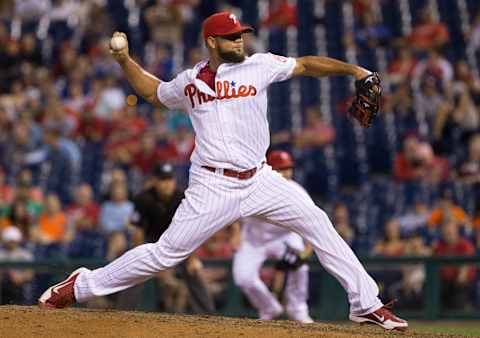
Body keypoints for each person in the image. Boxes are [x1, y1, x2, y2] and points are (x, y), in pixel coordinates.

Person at [38, 12, 407, 331]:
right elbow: (154, 93)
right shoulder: (189, 81)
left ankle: (366, 305)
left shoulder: (260, 65)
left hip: (261, 178)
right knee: (166, 254)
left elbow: (307, 64)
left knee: (319, 223)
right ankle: (80, 286)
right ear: (212, 41)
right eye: (232, 36)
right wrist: (125, 61)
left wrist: (355, 70)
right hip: (213, 184)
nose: (239, 40)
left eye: (241, 34)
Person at [233, 150, 313, 323]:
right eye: (280, 169)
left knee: (301, 267)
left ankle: (298, 309)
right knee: (243, 278)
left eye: (288, 169)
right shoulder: (251, 189)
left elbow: (314, 222)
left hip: (283, 237)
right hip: (253, 240)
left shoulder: (298, 192)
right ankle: (268, 307)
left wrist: (306, 251)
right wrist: (236, 233)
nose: (285, 173)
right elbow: (232, 211)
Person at [131, 162, 215, 314]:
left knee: (194, 270)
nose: (167, 184)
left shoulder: (182, 198)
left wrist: (192, 258)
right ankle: (122, 313)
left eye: (169, 179)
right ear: (154, 181)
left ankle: (208, 316)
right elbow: (137, 233)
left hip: (177, 241)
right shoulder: (143, 198)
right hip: (151, 242)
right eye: (163, 179)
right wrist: (141, 257)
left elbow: (190, 231)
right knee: (134, 268)